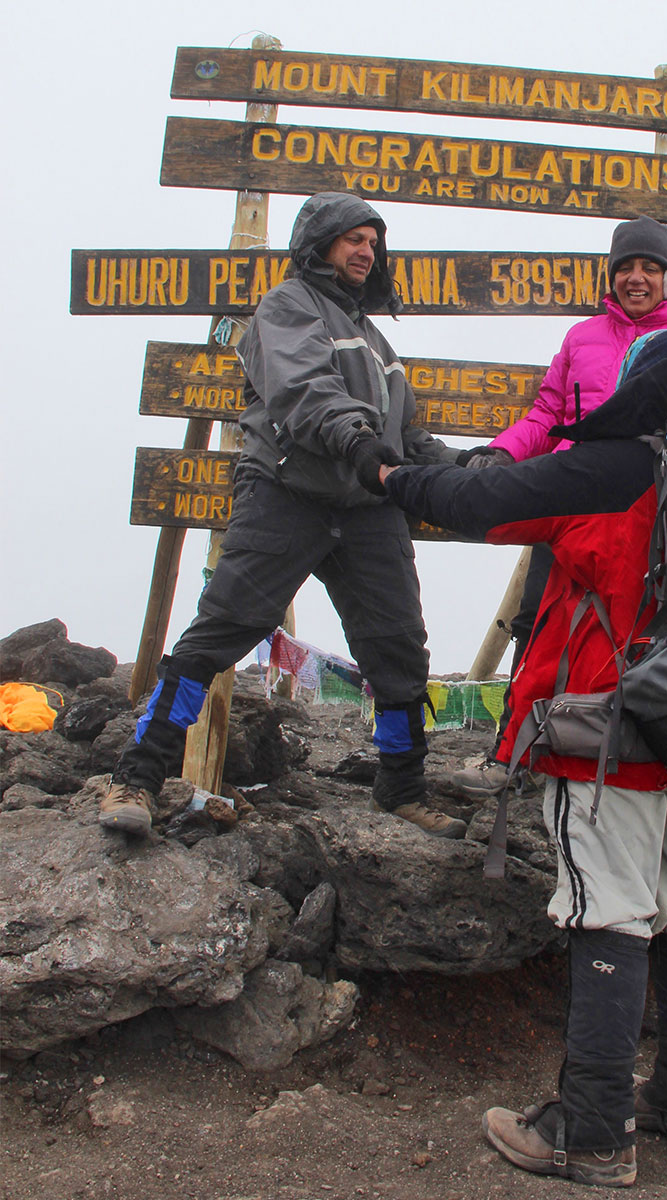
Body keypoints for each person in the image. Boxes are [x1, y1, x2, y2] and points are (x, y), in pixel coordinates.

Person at [382, 330, 667, 1188]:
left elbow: (478, 503)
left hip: (606, 733)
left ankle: (591, 1130)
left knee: (605, 910)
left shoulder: (607, 471)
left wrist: (388, 476)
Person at [100, 192, 467, 840]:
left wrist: (468, 471)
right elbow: (304, 391)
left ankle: (402, 785)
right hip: (285, 492)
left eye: (373, 243)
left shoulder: (379, 343)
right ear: (319, 242)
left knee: (399, 650)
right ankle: (138, 775)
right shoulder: (286, 306)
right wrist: (358, 442)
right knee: (221, 629)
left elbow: (407, 437)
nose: (365, 251)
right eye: (353, 238)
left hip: (365, 510)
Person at [451, 215, 667, 799]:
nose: (637, 278)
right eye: (626, 268)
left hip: (653, 513)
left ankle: (658, 757)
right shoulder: (582, 338)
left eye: (651, 267)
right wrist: (503, 453)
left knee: (655, 633)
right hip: (574, 500)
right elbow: (547, 414)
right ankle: (514, 753)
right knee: (538, 624)